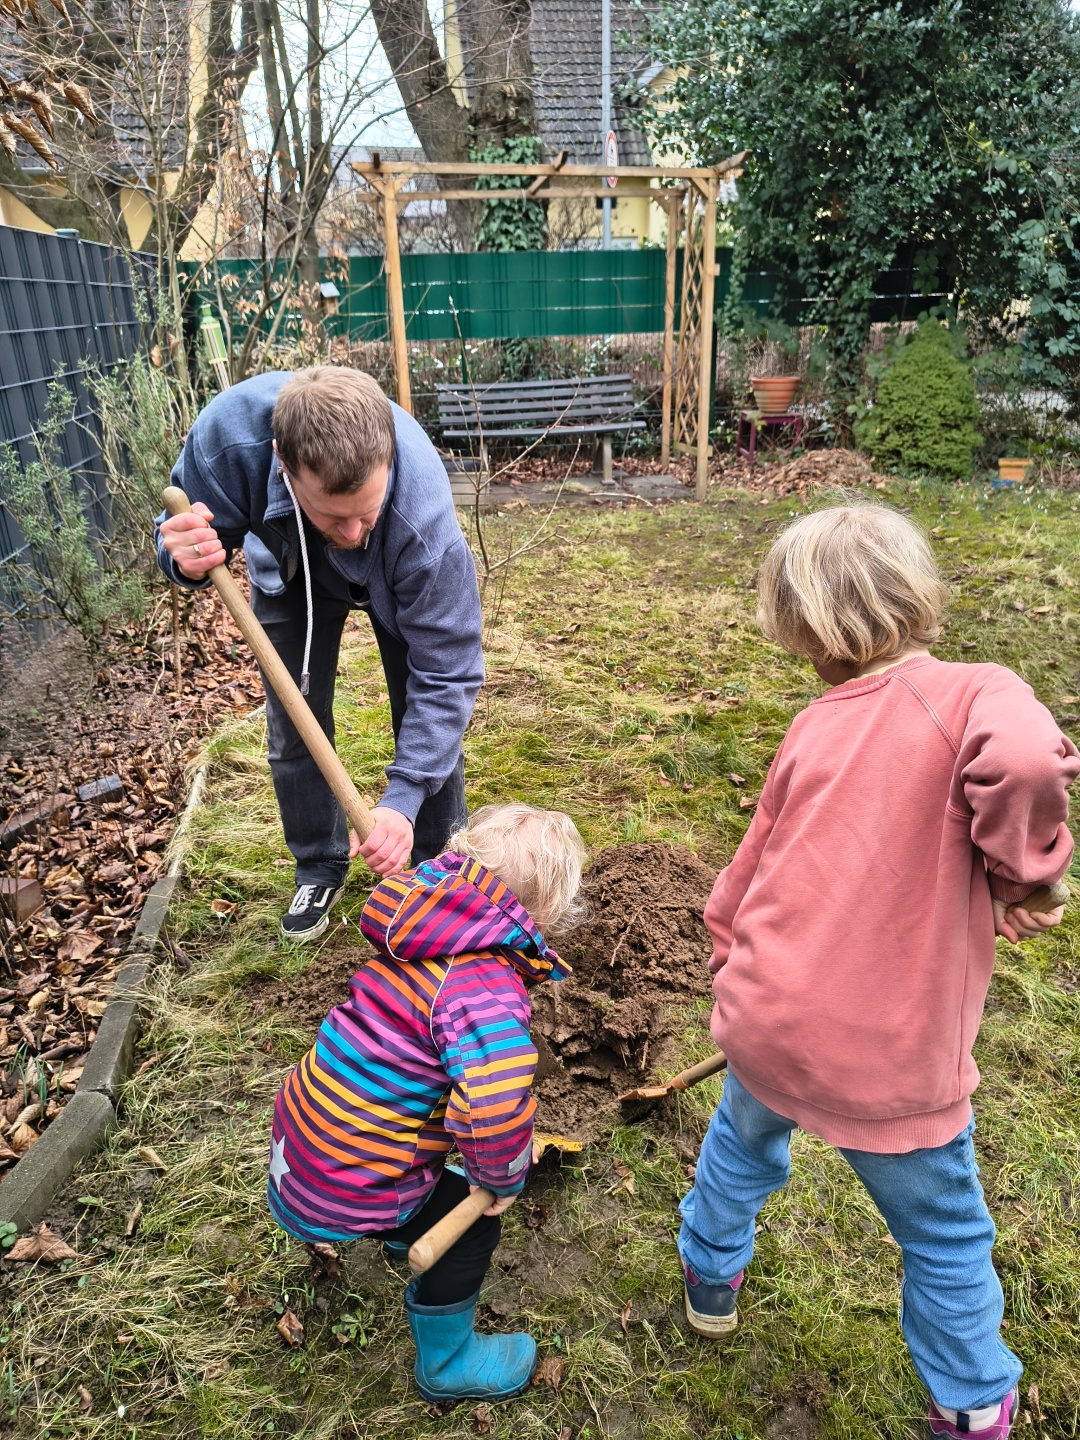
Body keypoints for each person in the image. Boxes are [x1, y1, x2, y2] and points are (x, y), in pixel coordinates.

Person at [678, 505, 1077, 1440]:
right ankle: (971, 1401)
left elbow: (748, 871)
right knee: (943, 1234)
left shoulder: (814, 726)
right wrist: (1027, 875)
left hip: (768, 1018)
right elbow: (1027, 762)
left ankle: (708, 1276)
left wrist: (731, 973)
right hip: (891, 1059)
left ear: (811, 636)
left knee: (740, 1146)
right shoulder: (978, 692)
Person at [266, 803, 587, 1401]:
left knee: (414, 1112)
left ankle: (394, 1224)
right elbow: (491, 1109)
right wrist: (501, 1177)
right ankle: (448, 1362)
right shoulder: (487, 990)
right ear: (545, 914)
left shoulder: (420, 929)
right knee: (472, 1229)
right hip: (347, 1180)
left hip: (301, 1142)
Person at [156, 367, 483, 940]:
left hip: (397, 569)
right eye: (335, 514)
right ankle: (318, 862)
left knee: (424, 710)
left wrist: (401, 798)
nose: (353, 532)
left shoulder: (422, 519)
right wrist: (183, 558)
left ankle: (435, 860)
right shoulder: (228, 443)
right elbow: (181, 536)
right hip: (289, 568)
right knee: (294, 717)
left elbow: (448, 672)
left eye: (366, 511)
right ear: (283, 463)